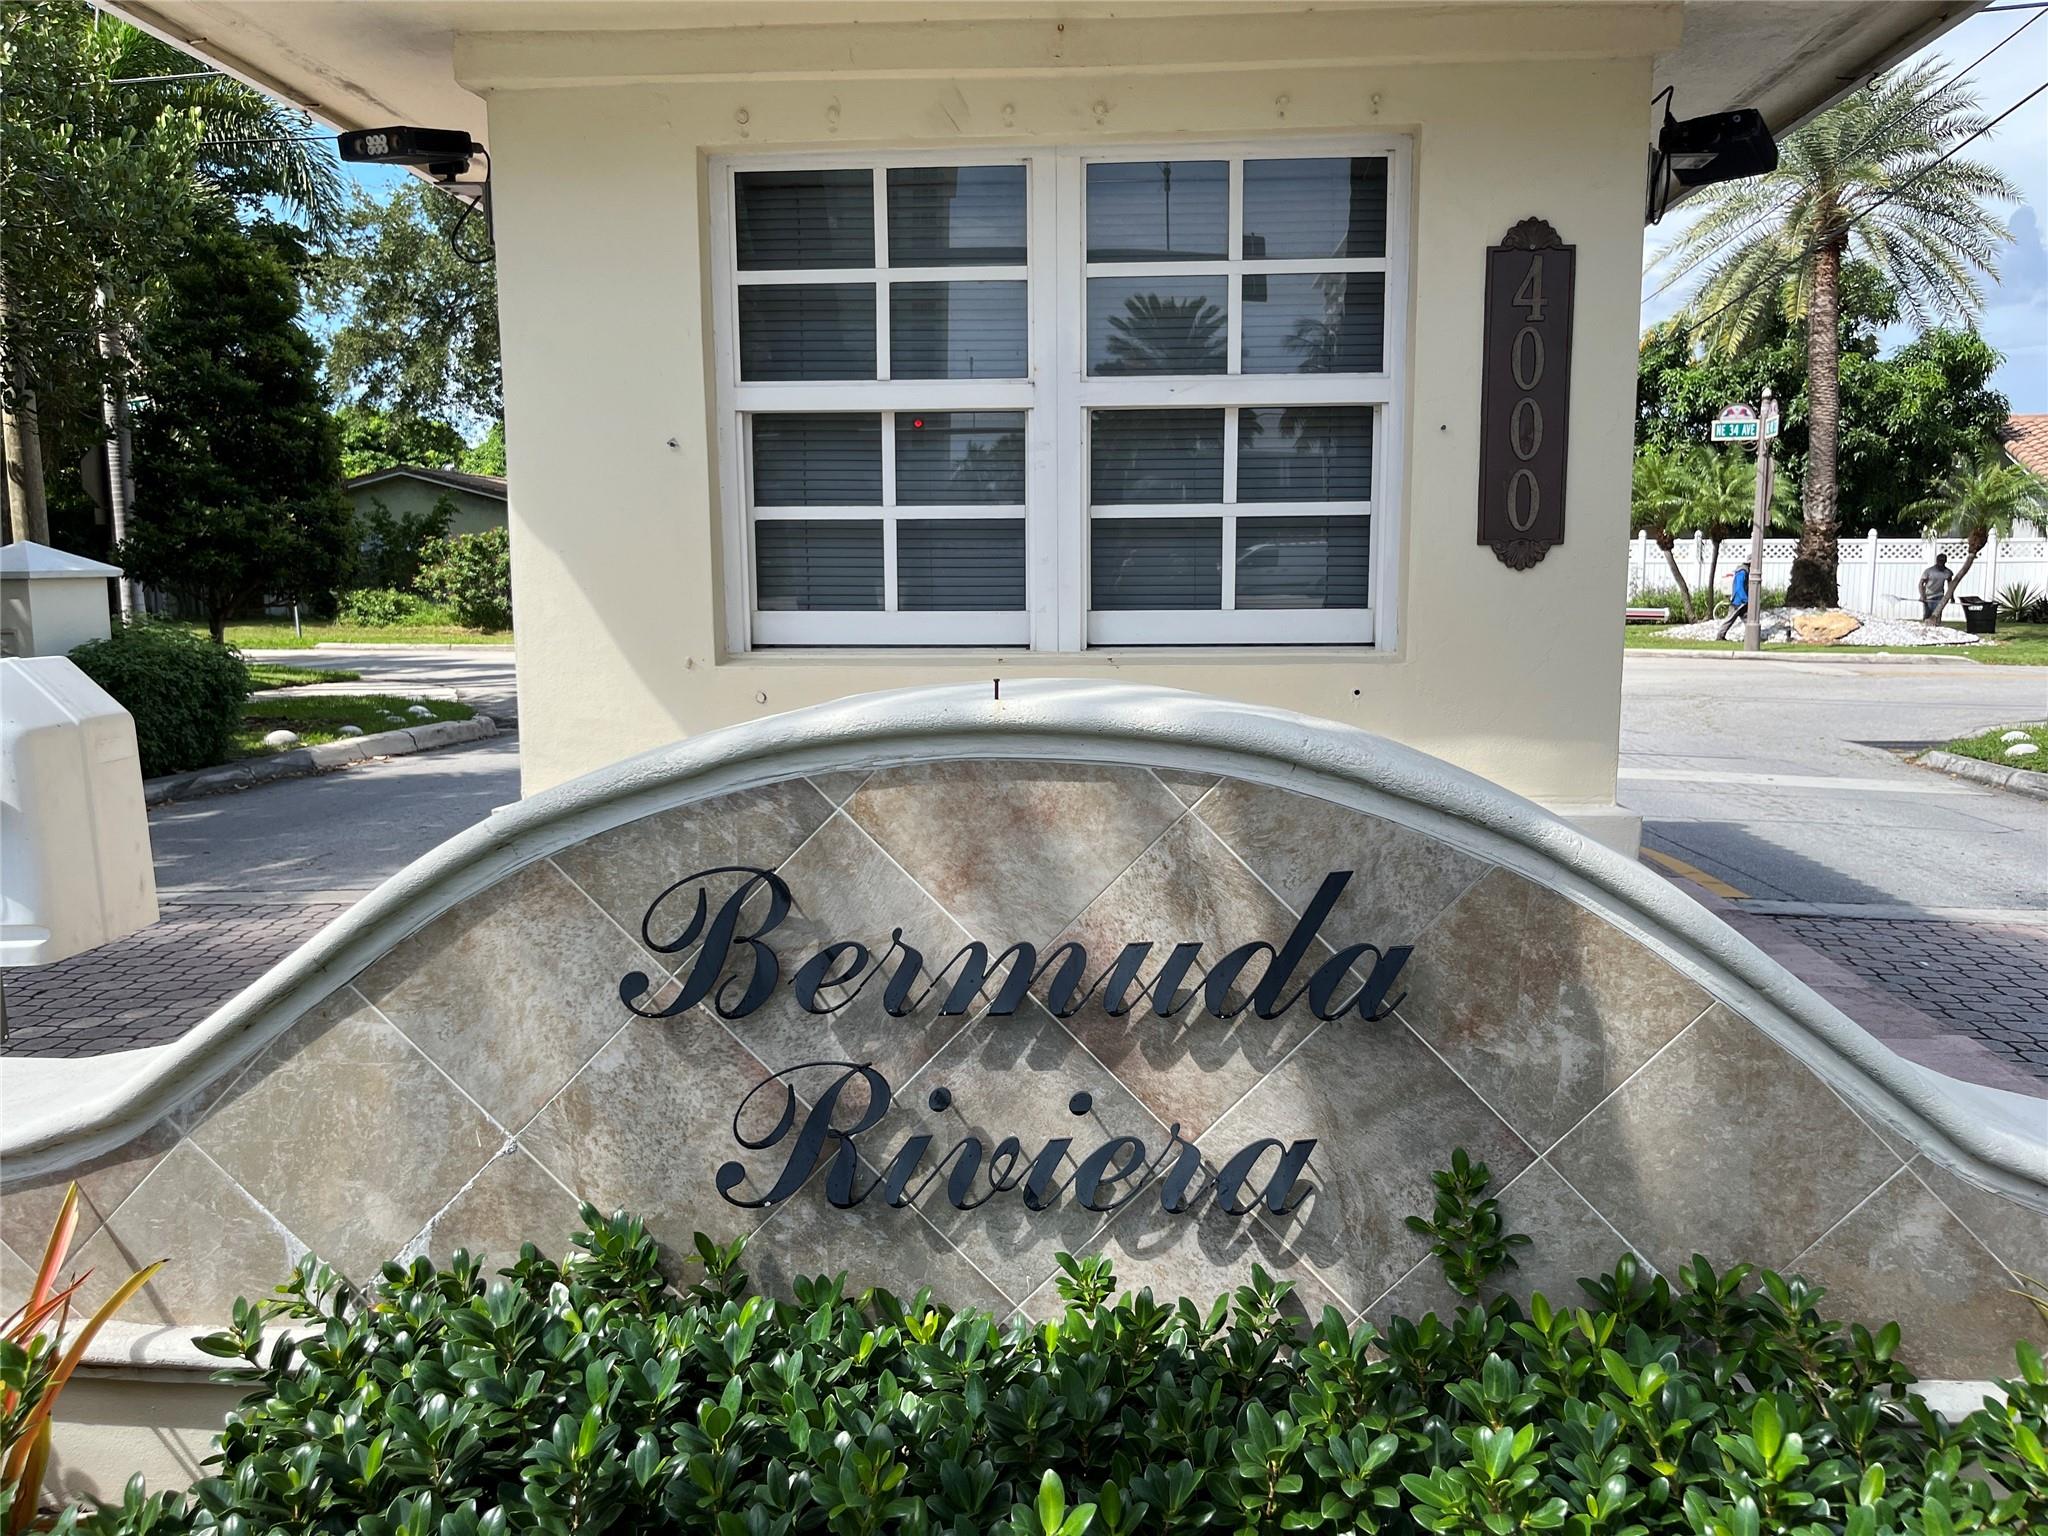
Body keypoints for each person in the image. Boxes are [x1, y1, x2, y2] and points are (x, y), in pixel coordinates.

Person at [1717, 565, 1752, 640]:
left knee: (1748, 620)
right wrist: (1745, 598)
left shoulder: (1741, 571)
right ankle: (1720, 635)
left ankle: (1750, 636)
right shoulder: (1743, 572)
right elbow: (1739, 587)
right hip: (1738, 602)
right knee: (1730, 619)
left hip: (1740, 601)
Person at [1919, 553, 1953, 621]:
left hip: (1939, 595)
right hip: (1928, 596)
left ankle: (1937, 626)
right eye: (1939, 560)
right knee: (1927, 615)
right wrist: (1922, 595)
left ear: (1945, 561)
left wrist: (1951, 597)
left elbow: (1951, 585)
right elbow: (1921, 584)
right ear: (1937, 560)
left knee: (1937, 615)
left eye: (1943, 560)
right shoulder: (1929, 571)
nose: (1941, 562)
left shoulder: (1947, 572)